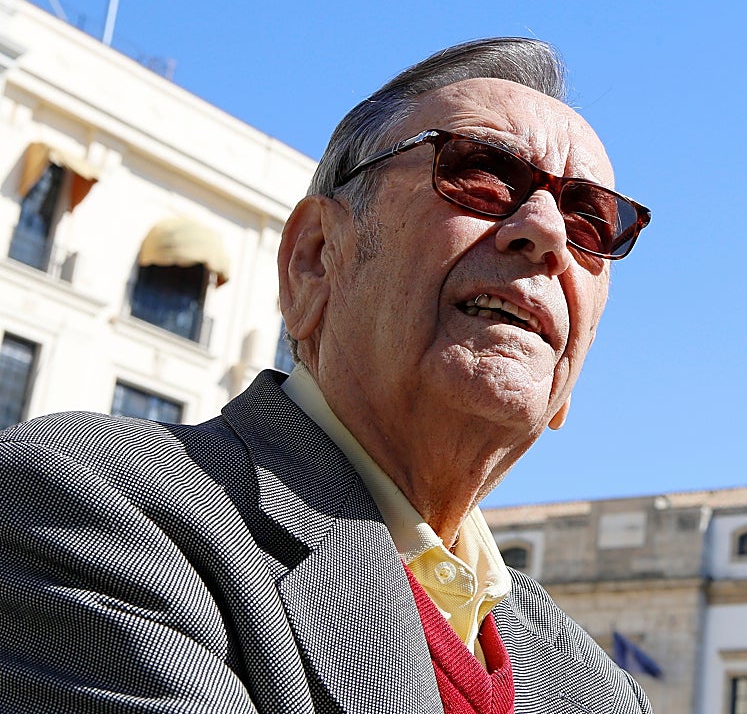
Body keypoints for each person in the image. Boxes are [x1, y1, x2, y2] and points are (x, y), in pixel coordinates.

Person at [0, 37, 653, 713]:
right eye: (482, 173)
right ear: (314, 259)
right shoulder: (92, 505)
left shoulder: (600, 689)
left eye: (590, 221)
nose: (547, 233)